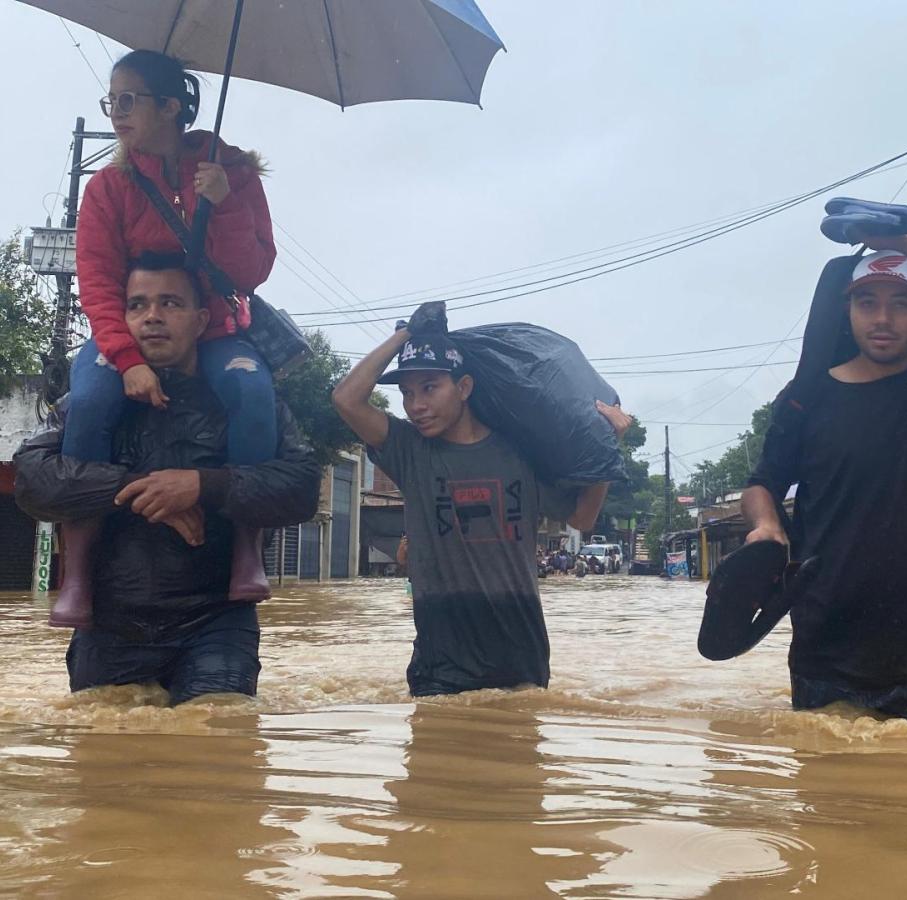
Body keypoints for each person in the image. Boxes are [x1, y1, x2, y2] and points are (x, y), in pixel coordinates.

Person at [14, 253, 319, 706]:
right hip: (107, 624)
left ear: (201, 321)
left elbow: (301, 486)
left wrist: (202, 484)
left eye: (170, 303)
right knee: (104, 764)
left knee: (217, 744)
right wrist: (141, 488)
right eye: (137, 305)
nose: (152, 316)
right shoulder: (90, 402)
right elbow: (33, 479)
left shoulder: (248, 401)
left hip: (215, 622)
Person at [741, 230, 907, 723]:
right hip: (829, 662)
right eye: (868, 302)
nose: (883, 318)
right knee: (840, 800)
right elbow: (762, 483)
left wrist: (896, 238)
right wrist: (766, 525)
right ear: (847, 310)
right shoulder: (805, 399)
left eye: (901, 303)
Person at [57, 49, 277, 629]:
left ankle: (245, 547)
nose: (117, 113)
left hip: (217, 331)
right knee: (88, 402)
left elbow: (252, 272)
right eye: (112, 101)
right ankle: (75, 567)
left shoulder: (232, 171)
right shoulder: (108, 187)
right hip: (127, 333)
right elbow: (98, 284)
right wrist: (126, 359)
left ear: (172, 107)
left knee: (254, 396)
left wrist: (224, 204)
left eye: (129, 101)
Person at [332, 305, 631, 697]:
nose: (415, 405)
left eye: (429, 387)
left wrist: (605, 452)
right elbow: (346, 399)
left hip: (520, 660)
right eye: (406, 392)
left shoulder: (522, 454)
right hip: (440, 664)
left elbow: (582, 517)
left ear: (465, 387)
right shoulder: (411, 452)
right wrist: (407, 335)